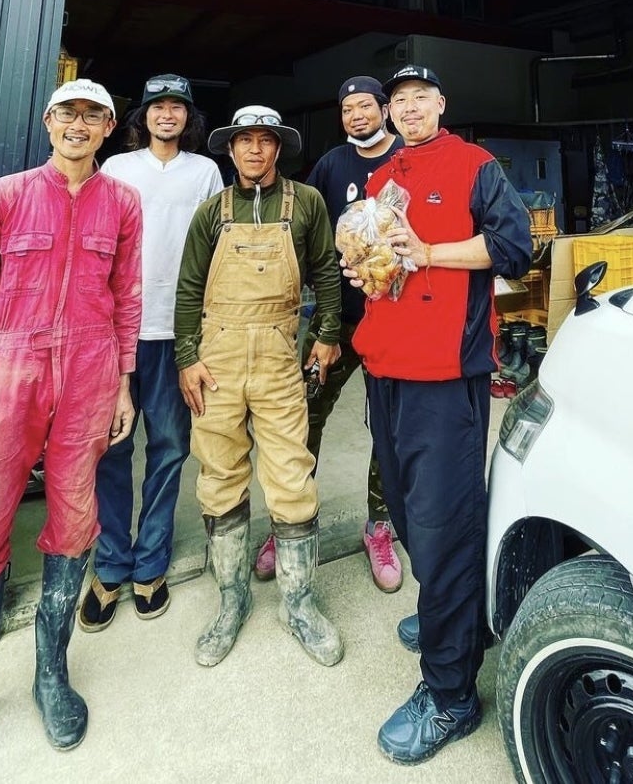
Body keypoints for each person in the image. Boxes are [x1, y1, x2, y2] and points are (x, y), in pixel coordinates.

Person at [0, 79, 142, 784]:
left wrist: (123, 384)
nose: (79, 125)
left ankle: (51, 674)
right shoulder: (2, 196)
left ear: (108, 128)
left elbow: (127, 296)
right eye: (68, 113)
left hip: (92, 369)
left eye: (93, 115)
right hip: (11, 366)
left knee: (75, 519)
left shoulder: (123, 202)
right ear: (48, 121)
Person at [350, 64, 532, 765]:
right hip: (386, 370)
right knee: (406, 511)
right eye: (398, 100)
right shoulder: (382, 178)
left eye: (419, 98)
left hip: (445, 376)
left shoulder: (474, 165)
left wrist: (428, 253)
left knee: (443, 524)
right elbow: (382, 268)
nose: (409, 108)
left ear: (440, 104)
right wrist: (365, 265)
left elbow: (514, 249)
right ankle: (457, 619)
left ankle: (451, 692)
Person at [174, 104, 344, 669]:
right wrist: (186, 358)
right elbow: (188, 288)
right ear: (231, 149)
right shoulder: (211, 212)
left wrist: (327, 334)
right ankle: (231, 600)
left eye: (264, 140)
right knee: (220, 475)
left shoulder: (307, 203)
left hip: (277, 351)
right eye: (244, 140)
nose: (254, 149)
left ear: (278, 148)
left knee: (291, 475)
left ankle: (299, 605)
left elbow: (326, 270)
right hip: (217, 354)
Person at [77, 73, 222, 632]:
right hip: (114, 329)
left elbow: (217, 248)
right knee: (111, 446)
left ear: (188, 118)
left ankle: (151, 561)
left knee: (169, 445)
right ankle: (111, 562)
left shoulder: (204, 171)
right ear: (143, 116)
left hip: (176, 329)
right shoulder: (116, 167)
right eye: (158, 106)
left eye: (177, 107)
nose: (167, 115)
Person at [253, 76, 404, 592]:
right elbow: (310, 233)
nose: (356, 116)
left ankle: (380, 526)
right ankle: (291, 523)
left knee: (390, 427)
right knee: (304, 417)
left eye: (365, 106)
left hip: (397, 321)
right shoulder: (332, 164)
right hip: (335, 320)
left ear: (384, 109)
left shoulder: (408, 158)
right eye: (347, 109)